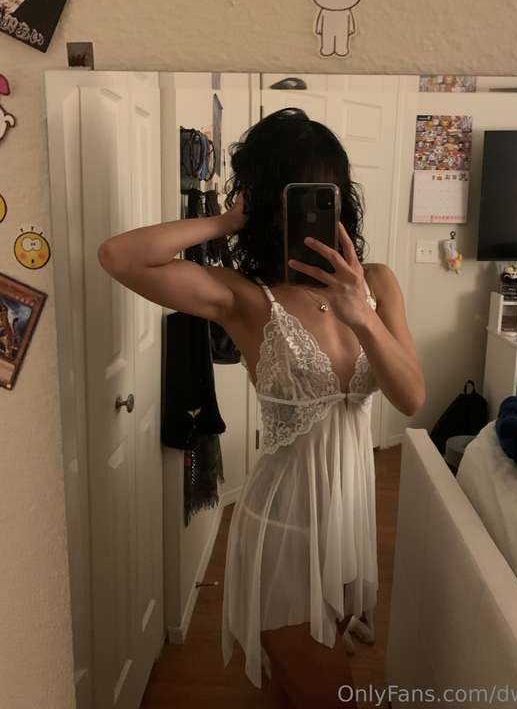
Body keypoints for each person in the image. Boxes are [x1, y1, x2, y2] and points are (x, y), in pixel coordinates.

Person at [98, 107, 425, 708]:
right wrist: (225, 220)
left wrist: (362, 316)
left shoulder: (377, 284)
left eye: (325, 190)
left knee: (294, 690)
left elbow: (411, 396)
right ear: (269, 202)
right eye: (294, 194)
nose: (310, 208)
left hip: (350, 521)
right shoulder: (246, 299)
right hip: (284, 528)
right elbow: (119, 256)